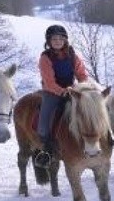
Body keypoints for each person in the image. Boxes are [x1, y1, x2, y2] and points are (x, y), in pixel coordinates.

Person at [35, 24, 90, 168]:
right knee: (43, 124)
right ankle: (46, 151)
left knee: (91, 111)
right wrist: (63, 91)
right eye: (54, 39)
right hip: (52, 92)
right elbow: (49, 81)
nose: (58, 41)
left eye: (61, 38)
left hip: (72, 91)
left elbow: (82, 74)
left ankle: (100, 139)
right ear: (49, 41)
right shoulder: (45, 58)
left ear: (65, 40)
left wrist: (83, 87)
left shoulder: (73, 56)